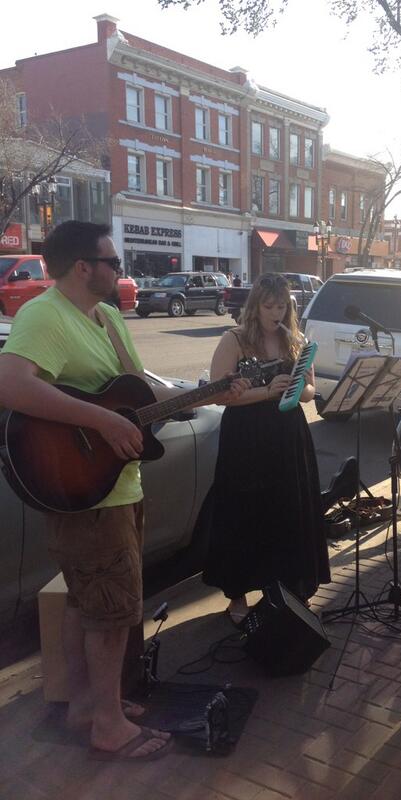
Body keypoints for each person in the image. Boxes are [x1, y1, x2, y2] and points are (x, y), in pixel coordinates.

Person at [0, 221, 244, 761]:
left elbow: (139, 389)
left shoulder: (107, 317)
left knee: (87, 606)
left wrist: (210, 392)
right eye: (111, 262)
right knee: (111, 614)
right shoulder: (45, 314)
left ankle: (89, 705)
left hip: (118, 484)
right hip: (84, 491)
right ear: (82, 267)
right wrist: (102, 422)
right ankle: (107, 725)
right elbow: (11, 384)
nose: (120, 271)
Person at [203, 272, 331, 623]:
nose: (275, 313)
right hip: (246, 437)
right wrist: (267, 391)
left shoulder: (297, 340)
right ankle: (238, 597)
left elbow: (309, 392)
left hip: (287, 436)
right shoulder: (236, 340)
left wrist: (297, 386)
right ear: (255, 306)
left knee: (287, 511)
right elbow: (216, 394)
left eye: (281, 306)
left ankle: (287, 590)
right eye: (268, 306)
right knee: (244, 513)